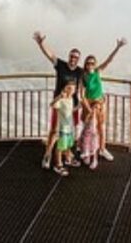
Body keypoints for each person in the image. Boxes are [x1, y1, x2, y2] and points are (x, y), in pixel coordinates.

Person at [33, 31, 82, 169]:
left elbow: (86, 83)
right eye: (72, 56)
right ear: (69, 56)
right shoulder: (61, 65)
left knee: (69, 131)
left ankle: (67, 156)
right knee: (55, 131)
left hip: (73, 104)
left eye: (76, 57)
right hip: (60, 103)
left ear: (78, 59)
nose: (73, 58)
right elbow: (50, 55)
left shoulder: (79, 71)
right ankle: (47, 155)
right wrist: (41, 43)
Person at [80, 38, 127, 163]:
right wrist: (88, 108)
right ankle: (87, 151)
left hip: (100, 103)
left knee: (101, 127)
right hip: (89, 104)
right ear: (85, 64)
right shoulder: (83, 76)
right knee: (89, 129)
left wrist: (117, 47)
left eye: (92, 63)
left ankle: (102, 149)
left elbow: (109, 60)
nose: (90, 65)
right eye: (88, 63)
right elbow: (82, 95)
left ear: (95, 64)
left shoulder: (98, 72)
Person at [49, 81, 77, 176]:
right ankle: (58, 165)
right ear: (65, 88)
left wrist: (78, 107)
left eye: (73, 89)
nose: (71, 91)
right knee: (60, 147)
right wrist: (59, 97)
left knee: (68, 145)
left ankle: (68, 159)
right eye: (69, 88)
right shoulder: (61, 100)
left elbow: (70, 110)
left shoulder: (71, 99)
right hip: (63, 128)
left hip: (70, 127)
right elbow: (52, 105)